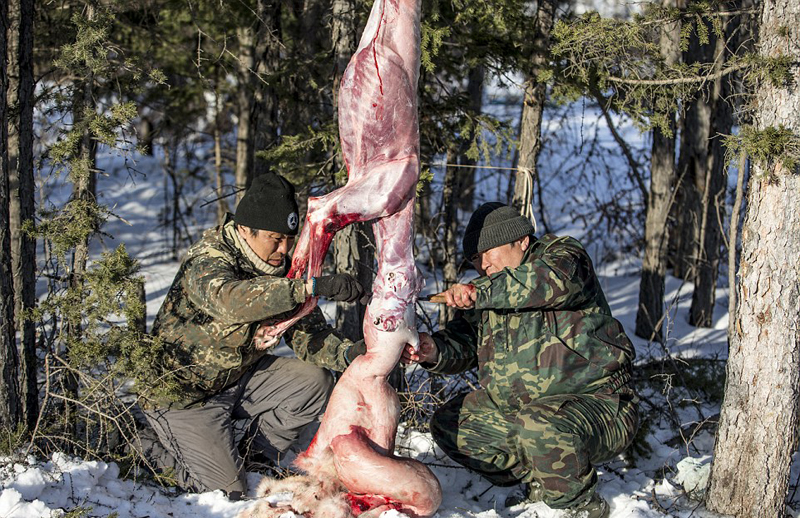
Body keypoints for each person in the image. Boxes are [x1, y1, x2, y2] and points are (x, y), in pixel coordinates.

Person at [137, 173, 366, 500]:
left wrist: (350, 355)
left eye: (288, 238)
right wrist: (309, 287)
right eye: (274, 238)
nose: (282, 248)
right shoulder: (210, 256)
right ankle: (140, 445)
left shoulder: (281, 268)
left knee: (313, 382)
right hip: (184, 395)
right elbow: (230, 300)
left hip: (236, 379)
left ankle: (255, 455)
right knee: (227, 492)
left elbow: (306, 333)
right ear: (246, 229)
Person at [402, 202, 638, 518]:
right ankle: (537, 482)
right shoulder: (488, 293)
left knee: (539, 422)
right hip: (526, 417)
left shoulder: (562, 258)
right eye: (475, 259)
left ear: (522, 241)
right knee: (451, 423)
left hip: (600, 409)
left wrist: (478, 292)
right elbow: (464, 343)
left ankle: (579, 506)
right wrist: (432, 349)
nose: (482, 264)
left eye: (488, 251)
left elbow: (542, 282)